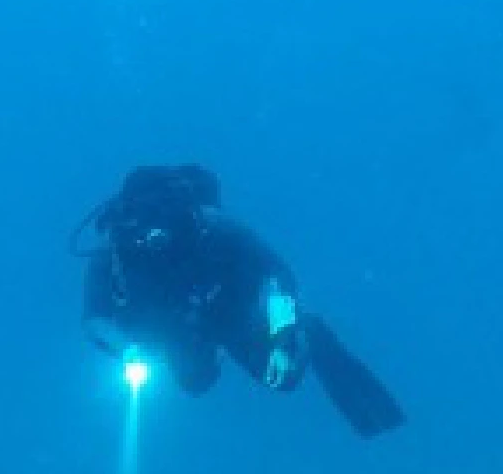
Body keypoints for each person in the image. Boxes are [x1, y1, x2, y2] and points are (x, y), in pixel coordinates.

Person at [72, 163, 406, 437]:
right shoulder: (116, 250)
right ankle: (287, 341)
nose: (154, 235)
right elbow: (94, 319)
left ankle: (312, 334)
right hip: (178, 326)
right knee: (197, 382)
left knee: (281, 377)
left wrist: (283, 331)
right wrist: (129, 349)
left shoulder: (210, 228)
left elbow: (278, 274)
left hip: (225, 312)